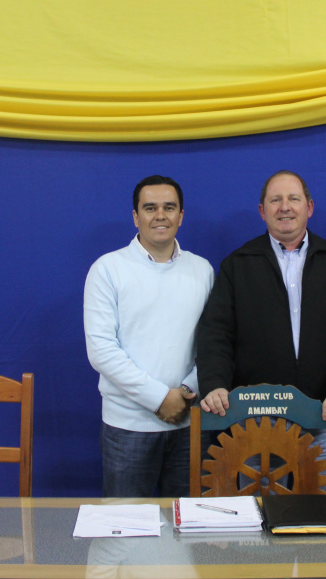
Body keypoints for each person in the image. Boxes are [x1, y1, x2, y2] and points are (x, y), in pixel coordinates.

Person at [196, 170, 326, 461]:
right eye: (275, 200)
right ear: (262, 211)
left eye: (294, 198)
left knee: (318, 506)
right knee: (256, 506)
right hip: (251, 419)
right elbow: (216, 334)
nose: (285, 207)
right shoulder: (237, 265)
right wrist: (215, 384)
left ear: (309, 207)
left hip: (323, 415)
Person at [84, 175, 214, 498]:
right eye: (150, 207)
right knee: (126, 537)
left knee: (188, 538)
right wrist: (159, 398)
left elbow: (214, 344)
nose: (160, 215)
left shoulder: (203, 271)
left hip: (189, 423)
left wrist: (185, 392)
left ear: (181, 216)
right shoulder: (107, 270)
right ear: (135, 216)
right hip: (128, 428)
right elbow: (101, 350)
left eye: (169, 208)